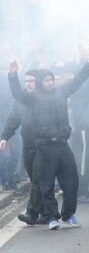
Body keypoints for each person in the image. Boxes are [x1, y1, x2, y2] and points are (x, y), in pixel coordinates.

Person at [8, 61, 89, 229]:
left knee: (71, 181)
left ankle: (68, 214)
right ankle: (52, 217)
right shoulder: (32, 97)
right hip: (44, 147)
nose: (49, 83)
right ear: (41, 82)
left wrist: (88, 67)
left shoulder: (61, 92)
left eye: (51, 80)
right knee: (45, 184)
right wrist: (12, 75)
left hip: (62, 144)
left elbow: (77, 81)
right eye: (46, 80)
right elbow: (18, 94)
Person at [2, 69, 44, 225]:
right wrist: (5, 136)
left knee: (38, 178)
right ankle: (47, 213)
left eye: (31, 81)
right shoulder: (21, 100)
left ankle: (31, 213)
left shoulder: (43, 97)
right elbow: (13, 119)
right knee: (36, 179)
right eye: (26, 81)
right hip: (28, 144)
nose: (28, 84)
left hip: (43, 144)